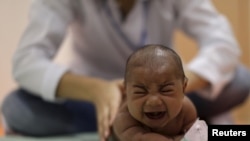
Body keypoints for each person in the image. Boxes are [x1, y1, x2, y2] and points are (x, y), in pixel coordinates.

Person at [1, 0, 250, 141]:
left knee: (240, 80)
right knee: (16, 107)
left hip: (175, 97)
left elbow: (223, 43)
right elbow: (27, 59)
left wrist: (174, 87)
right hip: (92, 97)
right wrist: (97, 90)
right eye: (140, 91)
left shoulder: (182, 99)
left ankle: (155, 110)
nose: (152, 99)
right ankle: (111, 122)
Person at [112, 44, 197, 141]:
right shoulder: (124, 118)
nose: (154, 101)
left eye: (166, 90)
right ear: (126, 91)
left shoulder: (186, 110)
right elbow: (140, 139)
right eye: (140, 92)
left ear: (183, 88)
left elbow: (198, 134)